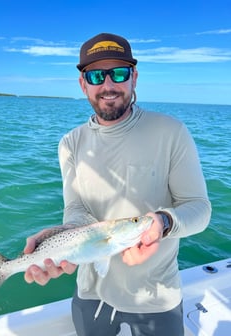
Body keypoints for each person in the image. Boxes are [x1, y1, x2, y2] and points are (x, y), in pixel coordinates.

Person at [24, 33, 211, 336]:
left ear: (134, 77)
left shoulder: (171, 131)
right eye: (96, 75)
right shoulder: (70, 143)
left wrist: (162, 222)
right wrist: (63, 237)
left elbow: (199, 209)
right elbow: (76, 208)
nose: (108, 86)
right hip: (90, 293)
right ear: (83, 83)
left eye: (119, 73)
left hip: (156, 297)